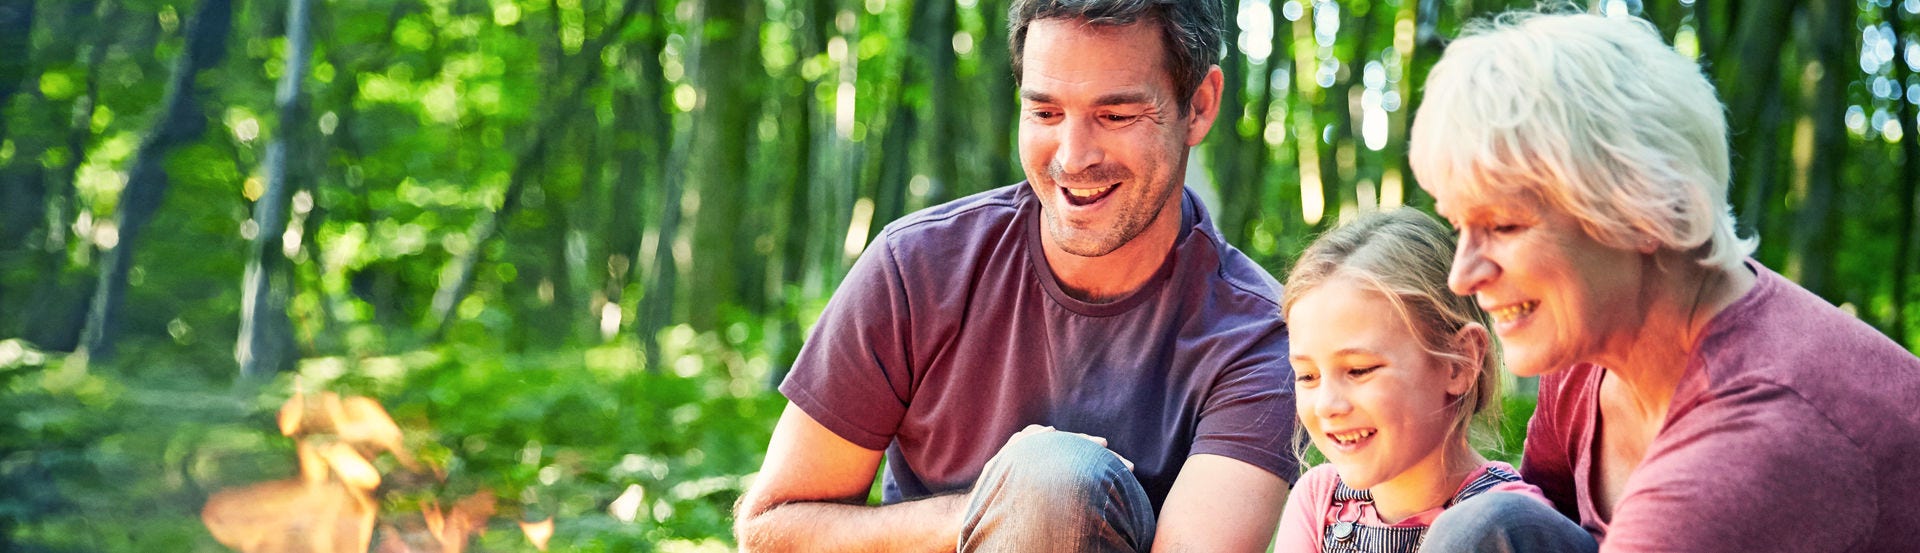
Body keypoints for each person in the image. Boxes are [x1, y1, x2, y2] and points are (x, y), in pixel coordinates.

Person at [731, 1, 1298, 551]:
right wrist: (990, 509)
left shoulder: (1258, 337)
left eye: (1117, 115)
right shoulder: (919, 268)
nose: (1073, 158)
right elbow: (773, 526)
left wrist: (1048, 503)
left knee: (1055, 481)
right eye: (1045, 113)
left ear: (1198, 106)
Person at [1407, 11, 1920, 553]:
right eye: (1461, 225)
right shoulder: (1587, 358)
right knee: (1488, 526)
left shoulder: (1741, 457)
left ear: (1647, 207)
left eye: (1504, 224)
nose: (1462, 276)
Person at [1273, 208, 1590, 553]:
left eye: (1359, 370)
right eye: (1307, 376)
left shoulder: (1508, 527)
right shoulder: (1320, 501)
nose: (1327, 405)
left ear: (1460, 364)